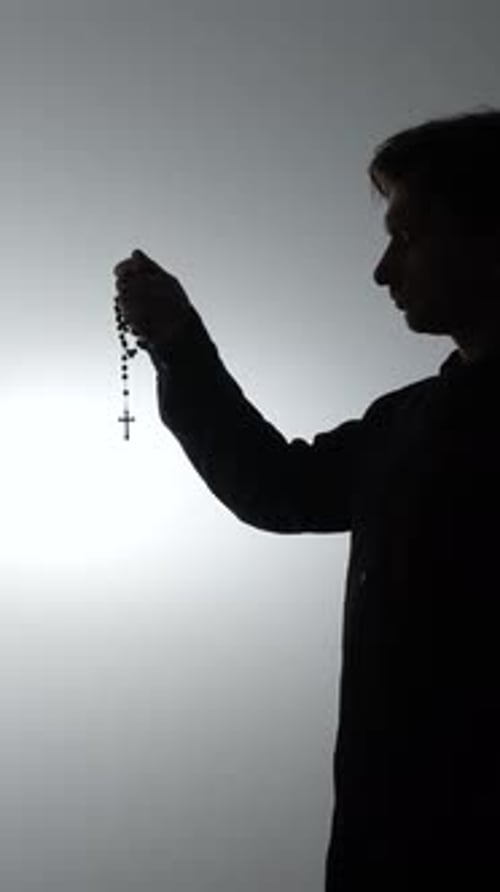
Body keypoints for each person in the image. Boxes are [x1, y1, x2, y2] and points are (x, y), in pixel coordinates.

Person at [113, 106, 500, 889]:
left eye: (409, 235)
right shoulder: (404, 428)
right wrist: (180, 345)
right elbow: (276, 488)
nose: (383, 270)